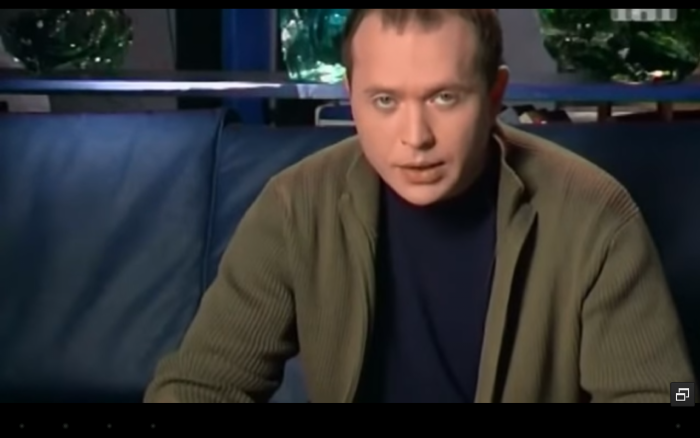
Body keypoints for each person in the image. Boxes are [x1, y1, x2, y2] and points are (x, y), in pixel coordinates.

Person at [144, 9, 694, 403]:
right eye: (384, 100)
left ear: (495, 95)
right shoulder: (295, 205)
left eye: (444, 97)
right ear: (350, 98)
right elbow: (200, 384)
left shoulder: (595, 213)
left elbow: (672, 392)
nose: (415, 137)